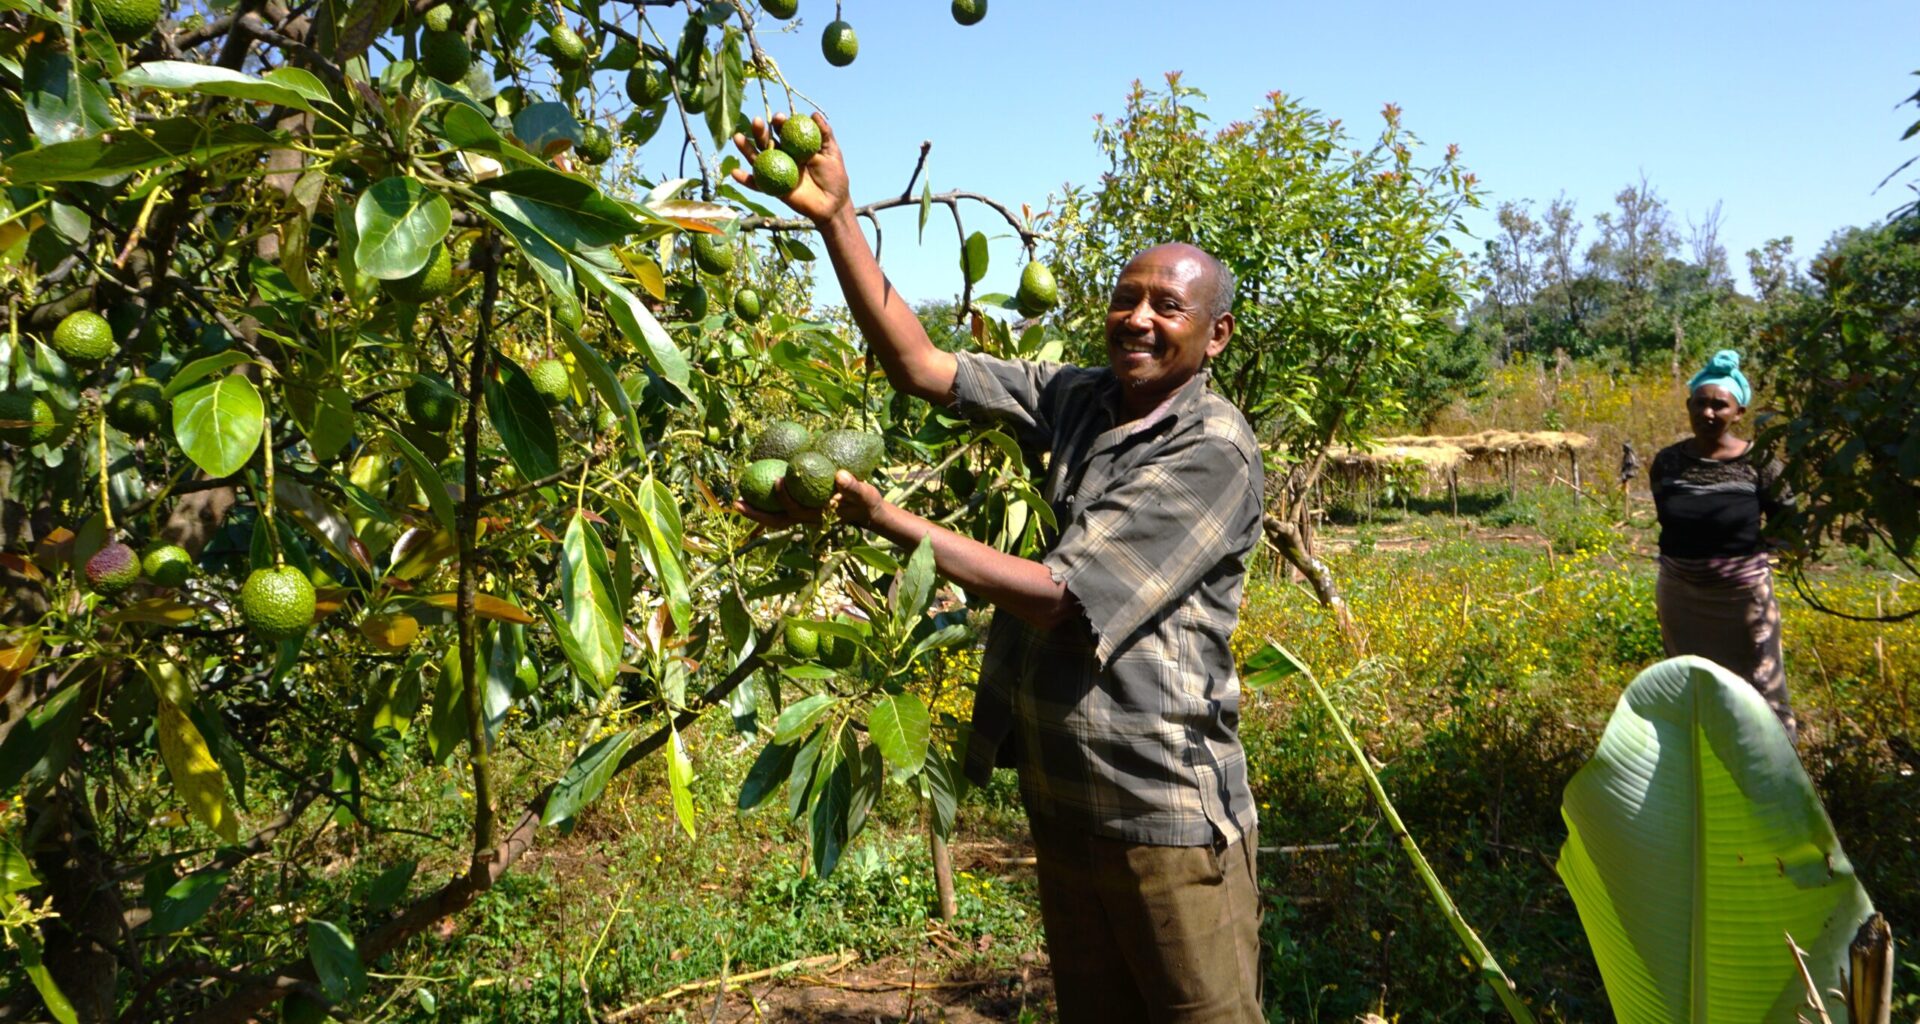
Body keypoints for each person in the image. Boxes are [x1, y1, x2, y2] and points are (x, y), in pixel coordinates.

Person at [731, 113, 1265, 1022]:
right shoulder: (1082, 398)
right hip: (1067, 798)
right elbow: (923, 366)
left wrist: (885, 519)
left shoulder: (1214, 449)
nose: (1136, 318)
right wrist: (836, 218)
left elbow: (1060, 600)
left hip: (1165, 812)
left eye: (1166, 307)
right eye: (1124, 297)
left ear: (1213, 338)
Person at [1649, 348, 1797, 738]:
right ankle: (1700, 761)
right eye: (1701, 403)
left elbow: (1787, 517)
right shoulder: (1668, 462)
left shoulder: (1760, 462)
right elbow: (1669, 518)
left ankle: (1776, 767)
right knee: (1688, 681)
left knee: (1761, 685)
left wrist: (1758, 563)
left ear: (1739, 412)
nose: (1708, 413)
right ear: (1688, 405)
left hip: (1742, 597)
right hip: (1681, 593)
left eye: (1720, 405)